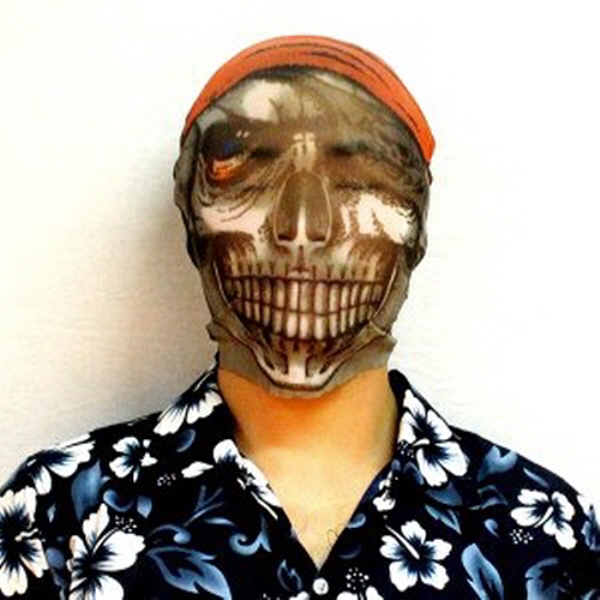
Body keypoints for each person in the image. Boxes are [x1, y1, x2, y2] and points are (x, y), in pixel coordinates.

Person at [0, 35, 597, 599]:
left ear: (418, 226)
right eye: (241, 168)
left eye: (362, 177)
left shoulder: (546, 538)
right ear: (190, 216)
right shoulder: (56, 517)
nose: (304, 227)